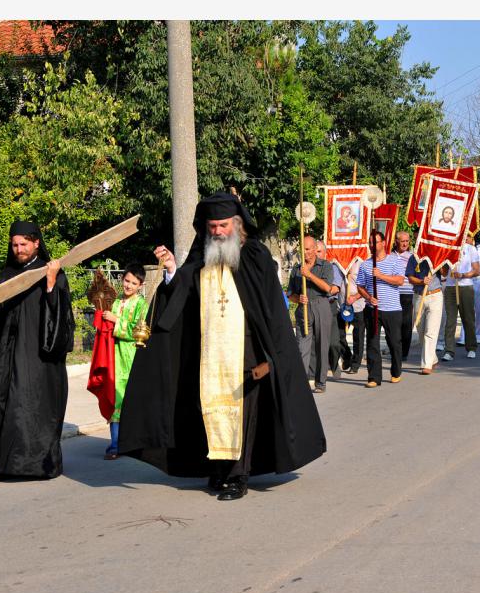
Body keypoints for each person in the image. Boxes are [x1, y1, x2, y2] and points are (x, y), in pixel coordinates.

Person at [118, 192, 326, 501]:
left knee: (244, 415)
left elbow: (271, 310)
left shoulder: (256, 257)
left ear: (237, 224)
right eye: (212, 225)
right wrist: (174, 269)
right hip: (208, 353)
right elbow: (181, 296)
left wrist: (272, 356)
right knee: (209, 412)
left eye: (223, 225)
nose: (217, 231)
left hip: (248, 352)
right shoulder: (200, 257)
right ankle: (217, 469)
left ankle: (237, 476)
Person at [0, 221, 75, 481]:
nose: (19, 249)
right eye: (15, 244)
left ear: (36, 243)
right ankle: (8, 467)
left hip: (39, 359)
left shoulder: (52, 272)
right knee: (5, 408)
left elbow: (61, 318)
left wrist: (51, 283)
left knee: (32, 409)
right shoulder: (5, 275)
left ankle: (39, 466)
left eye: (24, 243)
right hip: (8, 356)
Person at [101, 263, 149, 460]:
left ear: (140, 285)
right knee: (115, 397)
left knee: (131, 398)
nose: (129, 285)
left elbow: (140, 332)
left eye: (134, 283)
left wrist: (115, 320)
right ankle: (115, 444)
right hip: (113, 355)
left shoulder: (141, 305)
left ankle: (135, 443)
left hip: (132, 356)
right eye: (127, 281)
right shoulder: (115, 300)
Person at [355, 230, 407, 387]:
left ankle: (396, 371)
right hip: (373, 309)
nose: (372, 245)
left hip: (392, 309)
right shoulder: (365, 265)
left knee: (394, 342)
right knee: (372, 343)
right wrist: (369, 297)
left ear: (383, 243)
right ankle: (374, 377)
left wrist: (381, 276)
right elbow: (360, 286)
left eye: (375, 242)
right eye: (370, 243)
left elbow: (399, 281)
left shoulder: (394, 261)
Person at [288, 236, 337, 393]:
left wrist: (309, 275)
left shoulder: (325, 266)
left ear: (315, 250)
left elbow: (327, 288)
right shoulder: (296, 269)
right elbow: (290, 294)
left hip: (321, 305)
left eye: (308, 249)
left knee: (322, 345)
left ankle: (320, 383)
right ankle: (302, 382)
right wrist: (298, 298)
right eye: (303, 249)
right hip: (304, 308)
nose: (305, 252)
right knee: (302, 347)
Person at [442, 238, 480, 361]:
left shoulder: (470, 248)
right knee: (450, 321)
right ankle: (449, 350)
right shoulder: (447, 247)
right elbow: (443, 273)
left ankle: (471, 347)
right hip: (450, 287)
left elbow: (477, 270)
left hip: (465, 287)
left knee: (468, 318)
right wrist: (446, 264)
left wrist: (463, 275)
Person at [407, 256, 443, 374]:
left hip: (435, 295)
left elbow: (445, 273)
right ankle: (433, 358)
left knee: (430, 331)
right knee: (421, 330)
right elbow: (410, 277)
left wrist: (440, 263)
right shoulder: (414, 257)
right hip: (418, 296)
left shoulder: (437, 253)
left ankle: (426, 364)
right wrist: (422, 281)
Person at [317, 240, 346, 384]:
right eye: (314, 251)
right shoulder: (308, 268)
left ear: (325, 252)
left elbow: (335, 288)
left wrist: (321, 289)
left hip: (329, 304)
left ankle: (334, 364)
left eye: (319, 251)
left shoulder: (332, 267)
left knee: (334, 341)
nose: (316, 254)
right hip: (314, 306)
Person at [394, 231, 415, 362]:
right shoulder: (389, 256)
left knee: (406, 324)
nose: (405, 244)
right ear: (396, 241)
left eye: (407, 241)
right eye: (403, 241)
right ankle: (395, 349)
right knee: (394, 324)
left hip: (407, 293)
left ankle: (404, 352)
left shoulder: (413, 257)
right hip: (393, 293)